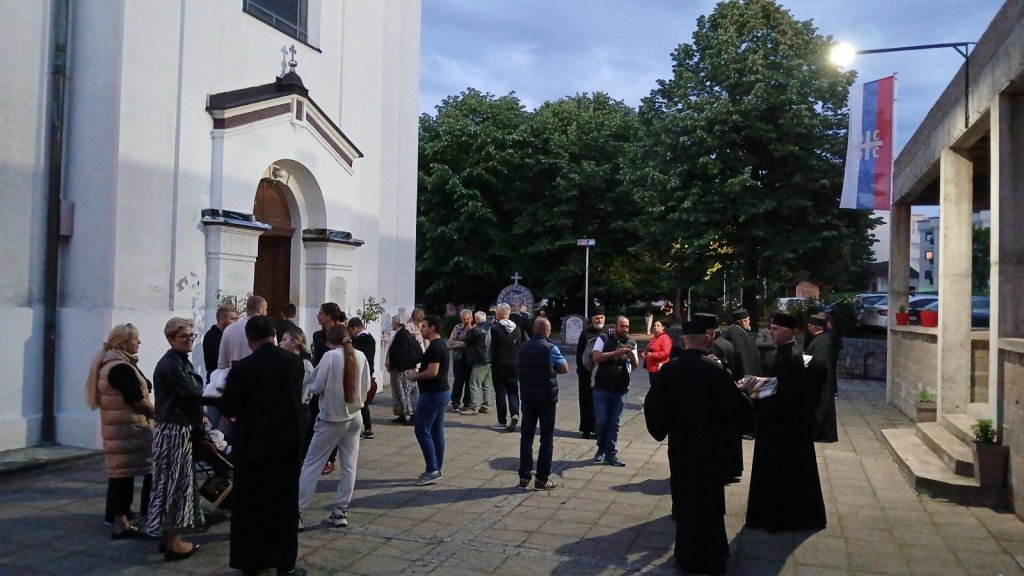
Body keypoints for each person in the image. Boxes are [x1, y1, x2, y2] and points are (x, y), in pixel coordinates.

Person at [644, 320, 754, 575]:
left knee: (685, 502)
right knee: (710, 503)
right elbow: (738, 411)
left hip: (682, 448)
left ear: (683, 341)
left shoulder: (669, 371)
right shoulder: (715, 371)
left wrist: (663, 427)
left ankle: (686, 556)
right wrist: (745, 394)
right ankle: (713, 558)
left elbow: (653, 408)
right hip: (711, 450)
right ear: (707, 340)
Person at [218, 316, 306, 575]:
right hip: (286, 444)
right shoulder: (294, 362)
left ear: (249, 339)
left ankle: (251, 561)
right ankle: (285, 562)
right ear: (274, 335)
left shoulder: (243, 368)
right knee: (284, 504)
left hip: (253, 446)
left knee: (251, 506)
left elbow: (229, 407)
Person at [739, 313, 827, 533]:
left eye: (775, 329)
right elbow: (779, 385)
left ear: (788, 332)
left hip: (781, 429)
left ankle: (776, 518)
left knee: (779, 475)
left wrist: (753, 392)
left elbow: (784, 395)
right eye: (771, 328)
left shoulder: (789, 357)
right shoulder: (785, 354)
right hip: (784, 426)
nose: (771, 332)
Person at [147, 318, 215, 561]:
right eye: (183, 336)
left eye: (191, 335)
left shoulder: (178, 361)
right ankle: (174, 543)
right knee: (175, 485)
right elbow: (191, 393)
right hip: (174, 430)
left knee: (172, 484)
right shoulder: (171, 364)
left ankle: (169, 538)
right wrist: (219, 397)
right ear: (170, 338)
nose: (189, 340)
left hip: (177, 427)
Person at [298, 324, 370, 530]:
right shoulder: (360, 356)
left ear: (330, 342)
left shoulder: (330, 356)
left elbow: (316, 386)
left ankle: (298, 512)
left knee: (312, 465)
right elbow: (365, 387)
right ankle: (340, 511)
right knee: (349, 465)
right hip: (355, 417)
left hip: (332, 418)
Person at [85, 323, 154, 538]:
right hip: (131, 429)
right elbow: (138, 401)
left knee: (120, 473)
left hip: (119, 428)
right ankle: (138, 518)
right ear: (123, 343)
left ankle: (117, 516)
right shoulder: (121, 368)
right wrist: (160, 414)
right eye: (136, 339)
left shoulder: (112, 363)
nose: (139, 342)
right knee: (144, 472)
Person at [517, 317, 569, 490]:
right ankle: (541, 478)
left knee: (526, 437)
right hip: (546, 399)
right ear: (548, 330)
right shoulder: (550, 348)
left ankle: (524, 477)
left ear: (534, 329)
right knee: (546, 439)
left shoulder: (523, 347)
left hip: (528, 397)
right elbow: (565, 368)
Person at [405, 315, 451, 486]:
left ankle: (432, 469)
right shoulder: (439, 345)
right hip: (440, 392)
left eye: (424, 326)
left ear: (432, 328)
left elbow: (432, 372)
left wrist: (414, 376)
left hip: (433, 394)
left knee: (422, 429)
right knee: (436, 431)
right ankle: (436, 468)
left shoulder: (436, 347)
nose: (421, 329)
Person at [590, 315, 638, 467]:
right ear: (615, 326)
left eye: (627, 326)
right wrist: (615, 353)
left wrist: (631, 356)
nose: (625, 329)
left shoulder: (631, 342)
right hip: (601, 387)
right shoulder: (603, 339)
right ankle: (601, 448)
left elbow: (635, 365)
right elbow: (596, 357)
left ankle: (611, 453)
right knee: (601, 421)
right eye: (622, 326)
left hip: (621, 388)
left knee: (614, 423)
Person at [310, 302, 344, 474]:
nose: (318, 316)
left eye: (321, 313)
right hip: (319, 382)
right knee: (315, 421)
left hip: (336, 384)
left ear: (329, 316)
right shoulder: (317, 335)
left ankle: (330, 458)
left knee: (333, 424)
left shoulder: (341, 334)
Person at [280, 326, 314, 460]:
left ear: (294, 341)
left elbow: (305, 391)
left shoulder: (305, 364)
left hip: (299, 412)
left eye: (284, 340)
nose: (280, 343)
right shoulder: (287, 361)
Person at [805, 314, 838, 443]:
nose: (808, 328)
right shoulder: (821, 339)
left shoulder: (821, 342)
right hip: (822, 380)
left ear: (814, 327)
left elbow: (819, 363)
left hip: (821, 382)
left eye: (809, 325)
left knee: (821, 408)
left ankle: (820, 433)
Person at [489, 303, 522, 432]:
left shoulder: (494, 329)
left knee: (500, 392)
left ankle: (502, 421)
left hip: (499, 364)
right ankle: (515, 414)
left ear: (500, 314)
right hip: (514, 364)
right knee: (513, 391)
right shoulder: (517, 329)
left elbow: (487, 343)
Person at [575, 307, 605, 439]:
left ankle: (598, 429)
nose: (599, 320)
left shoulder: (607, 332)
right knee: (585, 401)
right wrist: (581, 369)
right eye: (597, 318)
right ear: (592, 320)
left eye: (601, 317)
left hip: (602, 373)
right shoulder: (585, 333)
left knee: (600, 402)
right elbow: (579, 353)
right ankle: (586, 428)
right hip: (586, 373)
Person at [217, 295, 269, 370]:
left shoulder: (229, 330)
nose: (266, 312)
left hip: (235, 374)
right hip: (260, 374)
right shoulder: (267, 329)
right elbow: (273, 355)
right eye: (266, 309)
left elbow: (222, 364)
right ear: (260, 309)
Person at [386, 315, 420, 425]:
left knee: (406, 393)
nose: (391, 324)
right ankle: (401, 415)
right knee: (399, 393)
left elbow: (401, 353)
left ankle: (412, 416)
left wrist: (395, 365)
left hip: (402, 370)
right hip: (399, 369)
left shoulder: (402, 334)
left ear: (397, 323)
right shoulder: (401, 333)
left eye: (392, 322)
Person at [459, 311, 492, 415]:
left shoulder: (477, 329)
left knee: (474, 383)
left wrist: (469, 330)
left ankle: (474, 407)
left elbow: (467, 340)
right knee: (486, 385)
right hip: (490, 359)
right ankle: (485, 406)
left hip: (480, 359)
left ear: (477, 320)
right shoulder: (490, 327)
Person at [348, 317, 377, 440]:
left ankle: (363, 428)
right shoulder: (369, 337)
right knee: (362, 401)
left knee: (360, 401)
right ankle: (367, 427)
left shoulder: (363, 339)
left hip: (361, 372)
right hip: (366, 371)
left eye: (351, 331)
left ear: (355, 328)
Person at [447, 309, 474, 412]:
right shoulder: (457, 328)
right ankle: (455, 402)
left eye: (468, 319)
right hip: (458, 358)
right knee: (458, 380)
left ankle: (467, 402)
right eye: (464, 319)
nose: (466, 321)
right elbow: (450, 342)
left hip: (471, 358)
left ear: (471, 318)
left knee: (469, 381)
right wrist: (463, 344)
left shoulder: (475, 328)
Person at [695, 313, 736, 377]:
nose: (710, 338)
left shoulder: (718, 349)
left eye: (712, 334)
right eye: (706, 334)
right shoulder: (687, 350)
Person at [203, 306, 237, 382]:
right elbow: (219, 360)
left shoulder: (227, 335)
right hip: (216, 381)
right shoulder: (211, 337)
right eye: (232, 319)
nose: (235, 322)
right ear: (222, 319)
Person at [723, 308, 760, 378]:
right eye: (748, 319)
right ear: (743, 322)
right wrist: (746, 377)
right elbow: (742, 357)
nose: (749, 321)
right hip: (744, 377)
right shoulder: (736, 333)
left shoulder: (738, 330)